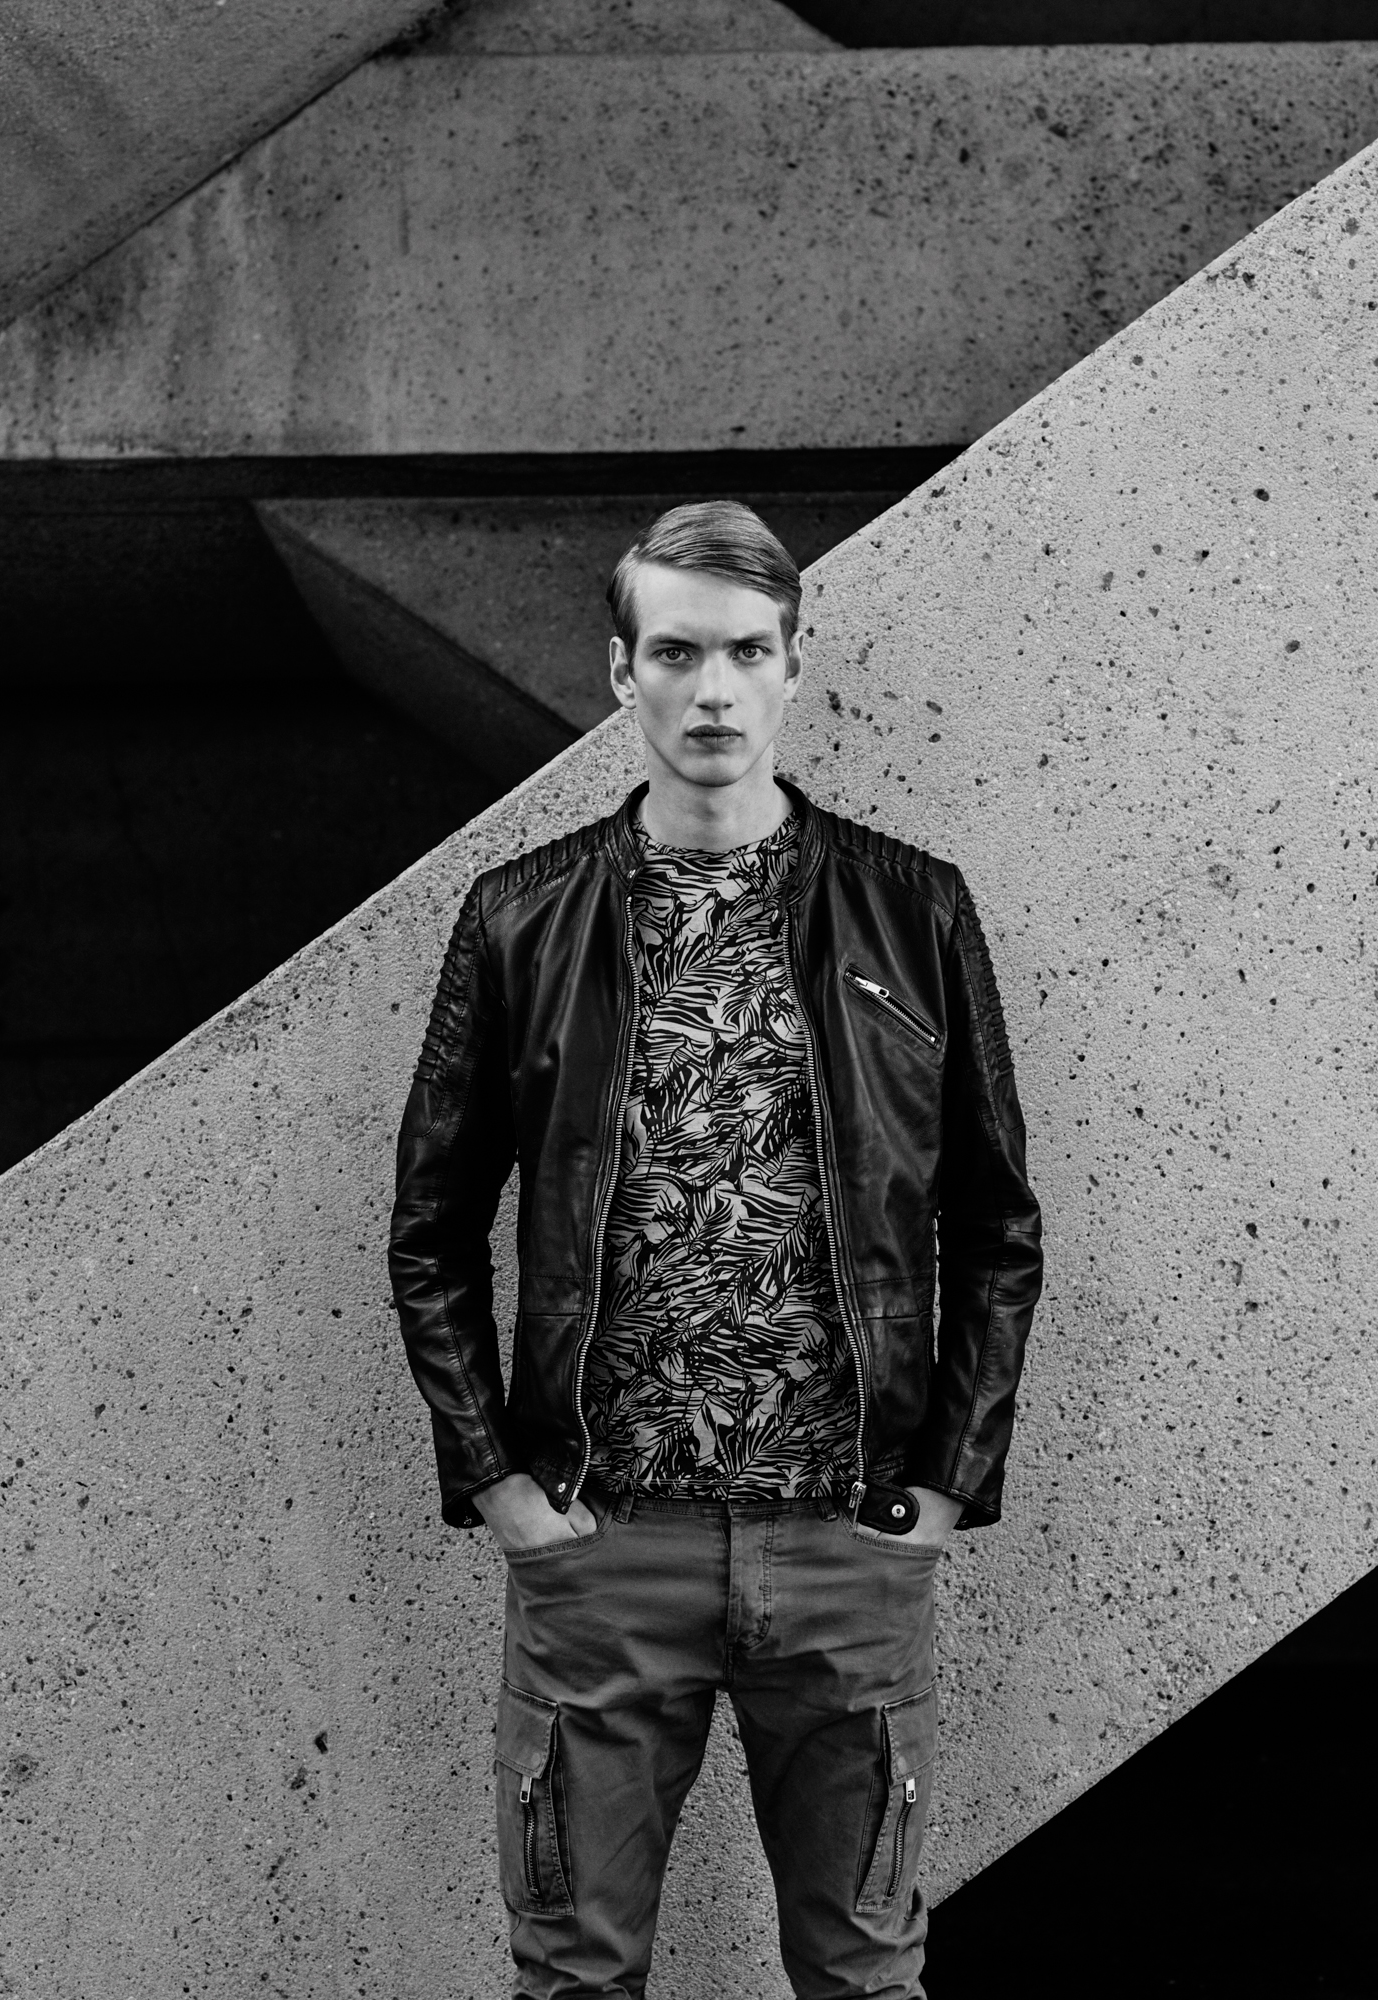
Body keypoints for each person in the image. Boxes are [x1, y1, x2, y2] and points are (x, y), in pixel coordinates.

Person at [389, 501, 1043, 2000]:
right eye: (677, 653)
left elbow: (997, 1222)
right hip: (604, 1544)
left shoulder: (912, 908)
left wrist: (946, 1483)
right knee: (575, 1977)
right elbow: (431, 1227)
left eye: (748, 652)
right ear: (622, 673)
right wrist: (497, 1482)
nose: (714, 692)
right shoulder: (520, 919)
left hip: (849, 1541)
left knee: (865, 1977)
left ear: (795, 666)